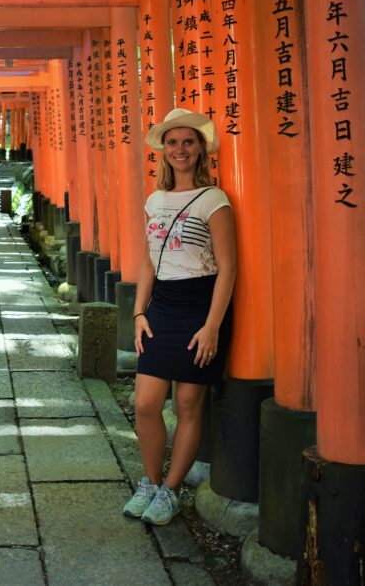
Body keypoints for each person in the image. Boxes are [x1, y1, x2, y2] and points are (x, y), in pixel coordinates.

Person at [123, 107, 236, 526]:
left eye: (188, 141)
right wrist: (138, 311)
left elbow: (228, 267)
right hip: (161, 307)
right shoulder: (154, 201)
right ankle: (150, 483)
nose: (179, 149)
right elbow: (149, 263)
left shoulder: (214, 199)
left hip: (199, 305)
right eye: (172, 142)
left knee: (188, 403)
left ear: (200, 149)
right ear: (164, 151)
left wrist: (212, 326)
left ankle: (170, 491)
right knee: (146, 404)